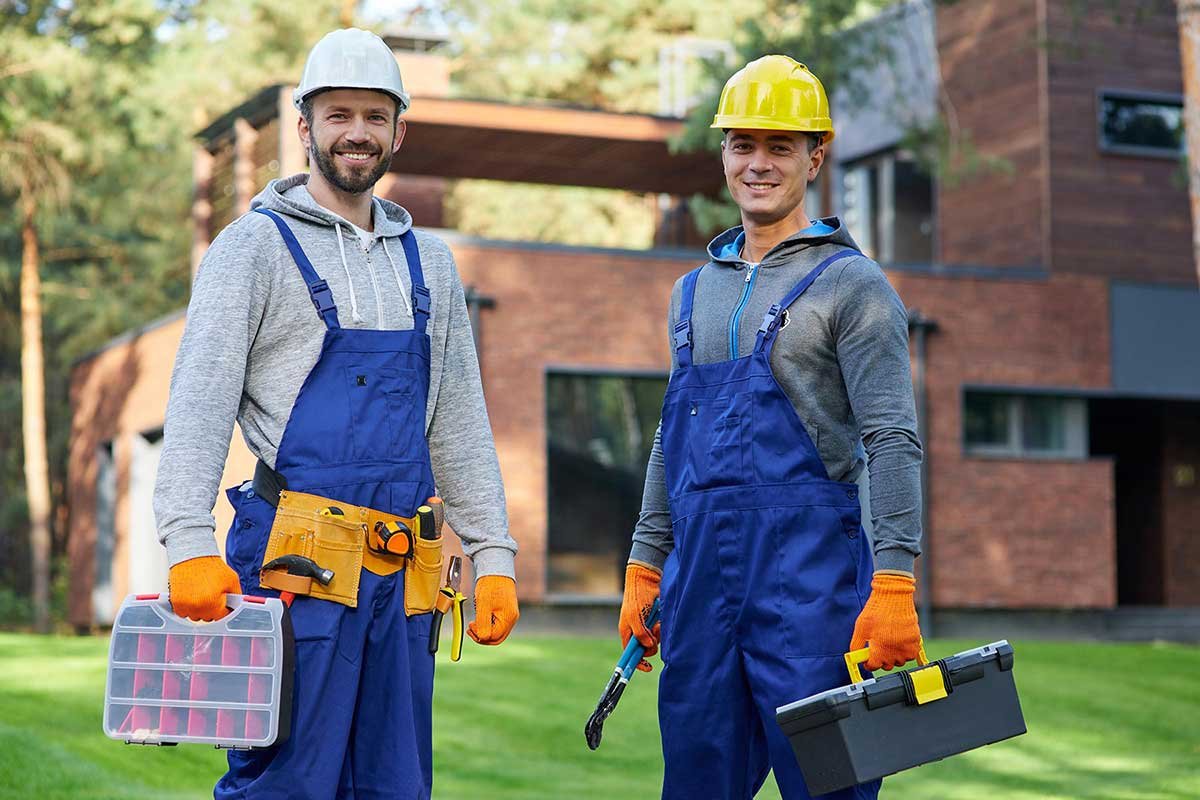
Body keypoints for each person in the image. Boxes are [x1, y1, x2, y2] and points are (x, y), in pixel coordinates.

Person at [153, 28, 518, 800]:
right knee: (285, 782)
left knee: (394, 784)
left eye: (375, 116)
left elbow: (457, 418)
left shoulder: (433, 263)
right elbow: (197, 404)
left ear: (399, 130)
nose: (357, 132)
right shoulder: (251, 248)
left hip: (403, 574)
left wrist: (494, 554)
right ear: (305, 125)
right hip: (296, 566)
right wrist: (187, 543)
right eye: (339, 114)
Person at [618, 55, 924, 800]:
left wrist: (894, 581)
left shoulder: (855, 285)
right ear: (723, 152)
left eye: (779, 147)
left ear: (815, 155)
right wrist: (645, 563)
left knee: (830, 789)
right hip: (698, 590)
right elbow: (670, 437)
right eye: (742, 144)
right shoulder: (692, 293)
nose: (757, 164)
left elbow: (892, 438)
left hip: (811, 588)